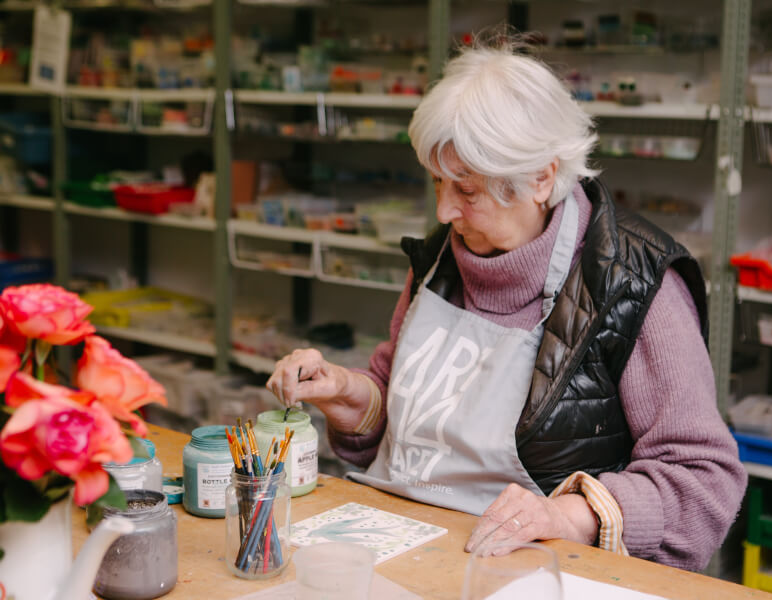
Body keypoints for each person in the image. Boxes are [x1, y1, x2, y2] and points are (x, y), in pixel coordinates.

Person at [266, 36, 747, 571]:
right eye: (437, 184)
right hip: (404, 547)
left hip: (534, 571)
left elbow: (703, 482)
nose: (446, 210)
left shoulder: (634, 285)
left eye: (467, 191)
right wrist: (349, 396)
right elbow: (403, 415)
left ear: (542, 177)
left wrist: (567, 516)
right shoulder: (440, 258)